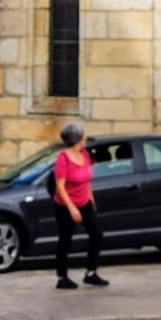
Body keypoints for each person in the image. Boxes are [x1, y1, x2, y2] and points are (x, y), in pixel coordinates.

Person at [51, 122, 107, 290]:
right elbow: (60, 187)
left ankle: (91, 273)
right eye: (83, 136)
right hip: (65, 205)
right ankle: (62, 277)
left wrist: (91, 200)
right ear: (77, 139)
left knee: (97, 234)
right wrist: (72, 209)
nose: (86, 138)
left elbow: (86, 180)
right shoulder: (63, 159)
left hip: (84, 202)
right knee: (65, 240)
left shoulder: (85, 155)